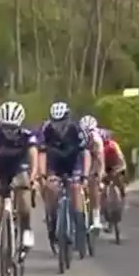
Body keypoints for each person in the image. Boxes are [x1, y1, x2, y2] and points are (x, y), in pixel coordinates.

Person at [35, 100, 91, 246]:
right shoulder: (45, 129)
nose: (58, 126)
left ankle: (79, 222)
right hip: (54, 163)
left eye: (62, 122)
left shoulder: (77, 130)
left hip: (74, 162)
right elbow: (41, 153)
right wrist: (43, 175)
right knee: (51, 188)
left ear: (68, 119)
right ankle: (52, 217)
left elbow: (85, 153)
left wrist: (84, 175)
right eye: (55, 122)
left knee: (75, 188)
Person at [0, 101, 39, 250]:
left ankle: (26, 229)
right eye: (6, 127)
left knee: (23, 188)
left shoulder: (27, 136)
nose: (9, 132)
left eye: (13, 128)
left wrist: (33, 177)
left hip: (19, 168)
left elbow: (34, 156)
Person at [79, 115, 106, 230]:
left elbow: (100, 158)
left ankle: (96, 218)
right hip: (84, 159)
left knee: (94, 184)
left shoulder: (96, 138)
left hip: (96, 159)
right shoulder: (79, 137)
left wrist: (100, 174)